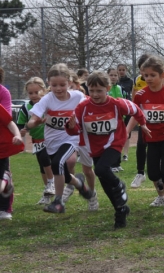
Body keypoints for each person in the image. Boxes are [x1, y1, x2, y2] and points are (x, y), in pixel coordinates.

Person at [66, 71, 149, 228]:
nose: (95, 94)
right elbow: (75, 130)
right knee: (104, 183)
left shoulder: (117, 104)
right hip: (94, 148)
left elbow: (136, 110)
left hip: (114, 143)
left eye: (99, 91)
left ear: (108, 88)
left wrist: (143, 124)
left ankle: (119, 185)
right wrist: (70, 126)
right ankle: (120, 210)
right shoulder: (82, 107)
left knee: (101, 170)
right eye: (92, 91)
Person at [26, 64, 97, 214]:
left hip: (71, 137)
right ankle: (80, 184)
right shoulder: (47, 99)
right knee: (62, 174)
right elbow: (33, 119)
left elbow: (90, 107)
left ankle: (58, 202)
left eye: (62, 85)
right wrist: (33, 123)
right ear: (48, 83)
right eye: (54, 85)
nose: (58, 88)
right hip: (52, 141)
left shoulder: (77, 96)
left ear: (70, 82)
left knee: (58, 163)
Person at [131, 56, 164, 217]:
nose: (148, 79)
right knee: (153, 173)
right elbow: (136, 114)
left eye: (152, 75)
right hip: (151, 138)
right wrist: (129, 130)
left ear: (163, 76)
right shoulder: (140, 95)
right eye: (145, 75)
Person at [16, 77, 55, 205]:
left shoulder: (50, 103)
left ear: (43, 90)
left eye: (36, 92)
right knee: (42, 166)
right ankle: (48, 192)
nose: (33, 95)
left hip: (52, 138)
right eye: (30, 93)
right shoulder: (26, 108)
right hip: (37, 139)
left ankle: (52, 183)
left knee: (46, 159)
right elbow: (21, 124)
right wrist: (22, 130)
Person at [0, 102, 25, 220]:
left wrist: (18, 135)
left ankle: (4, 209)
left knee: (1, 184)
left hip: (1, 150)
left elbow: (10, 123)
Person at [130, 54, 151, 188]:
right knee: (141, 144)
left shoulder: (159, 79)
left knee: (155, 148)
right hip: (143, 117)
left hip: (157, 119)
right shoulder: (137, 80)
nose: (143, 73)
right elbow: (134, 99)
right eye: (141, 69)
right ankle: (140, 173)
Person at [117, 63, 134, 163]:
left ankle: (125, 154)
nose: (121, 71)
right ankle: (117, 152)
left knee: (127, 131)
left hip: (126, 108)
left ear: (126, 70)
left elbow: (132, 94)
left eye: (123, 69)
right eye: (120, 70)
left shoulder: (130, 81)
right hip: (117, 110)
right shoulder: (114, 82)